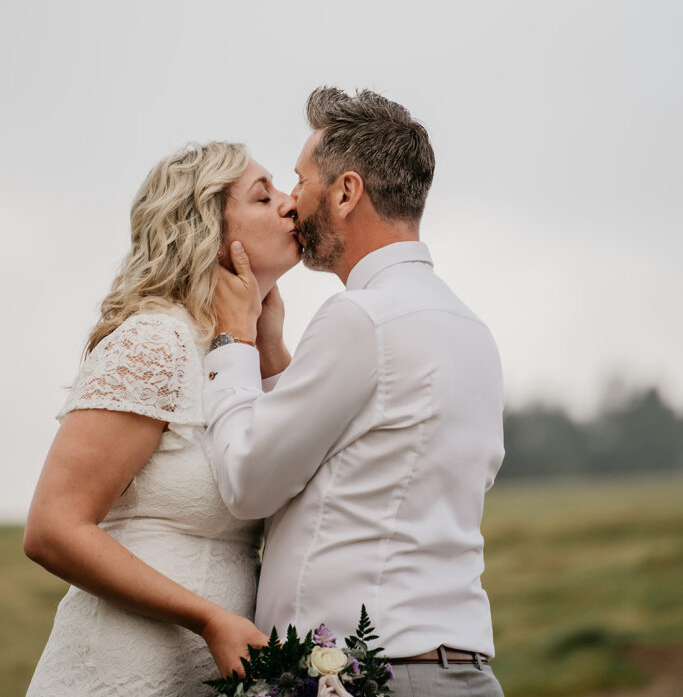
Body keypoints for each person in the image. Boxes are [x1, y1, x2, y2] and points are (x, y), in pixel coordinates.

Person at [204, 87, 506, 697]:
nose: (290, 201)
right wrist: (271, 354)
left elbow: (247, 480)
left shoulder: (360, 320)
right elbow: (356, 458)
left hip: (377, 676)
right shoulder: (473, 332)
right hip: (462, 671)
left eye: (299, 180)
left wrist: (234, 341)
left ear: (345, 192)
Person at [24, 141, 301, 696]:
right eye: (263, 195)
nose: (291, 204)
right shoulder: (157, 341)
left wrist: (266, 343)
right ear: (207, 232)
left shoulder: (242, 360)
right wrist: (207, 618)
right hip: (120, 670)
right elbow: (53, 529)